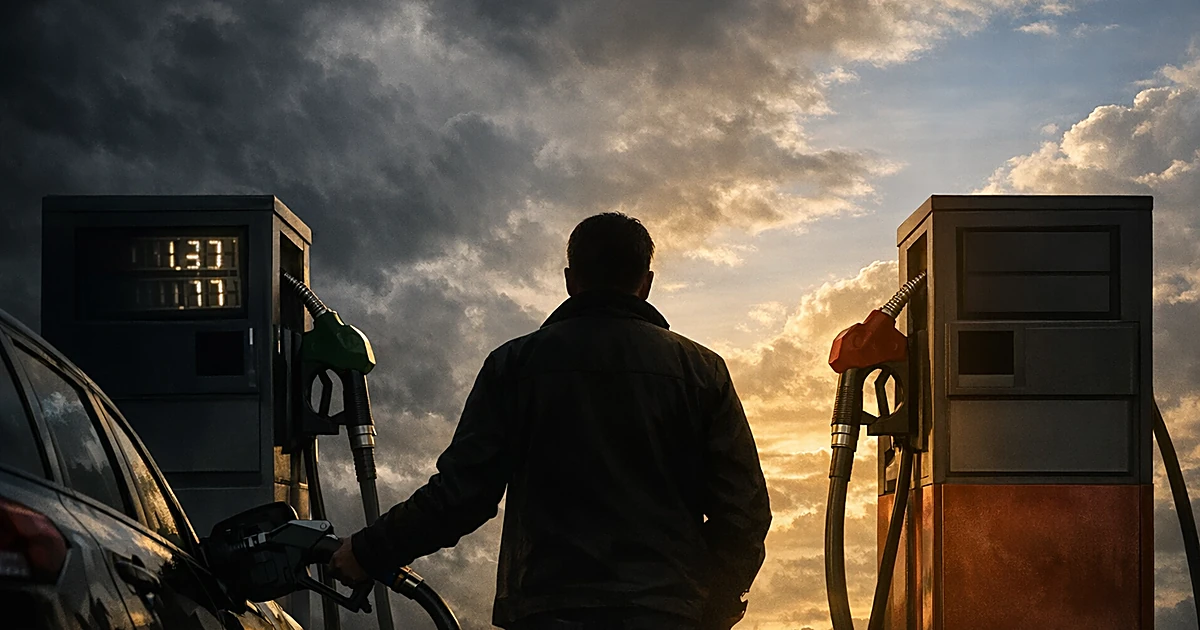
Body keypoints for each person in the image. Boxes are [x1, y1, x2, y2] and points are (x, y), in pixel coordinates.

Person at [329, 212, 771, 630]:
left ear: (569, 281)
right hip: (669, 612)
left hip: (549, 609)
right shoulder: (701, 371)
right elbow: (745, 513)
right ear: (646, 284)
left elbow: (463, 496)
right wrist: (711, 606)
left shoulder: (515, 365)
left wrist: (368, 551)